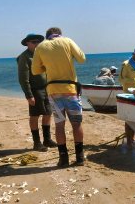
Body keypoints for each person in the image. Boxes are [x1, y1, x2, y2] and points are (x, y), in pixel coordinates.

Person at [32, 27, 86, 167]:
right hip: (70, 90)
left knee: (59, 124)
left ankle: (63, 158)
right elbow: (82, 59)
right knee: (76, 124)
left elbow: (35, 70)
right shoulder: (67, 41)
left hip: (53, 91)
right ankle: (80, 157)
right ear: (59, 34)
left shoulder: (41, 46)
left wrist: (48, 66)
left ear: (47, 36)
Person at [17, 33, 57, 152]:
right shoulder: (24, 57)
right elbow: (23, 79)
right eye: (33, 42)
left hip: (47, 88)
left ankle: (47, 139)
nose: (36, 44)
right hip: (35, 90)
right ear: (27, 44)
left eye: (38, 42)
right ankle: (37, 142)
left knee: (48, 113)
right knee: (34, 115)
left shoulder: (41, 55)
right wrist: (29, 95)